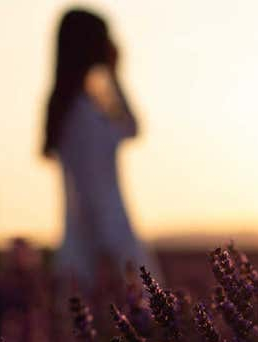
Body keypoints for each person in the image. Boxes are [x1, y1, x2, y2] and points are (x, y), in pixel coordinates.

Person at [43, 8, 159, 294]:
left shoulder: (74, 107)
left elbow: (131, 128)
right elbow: (93, 190)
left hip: (83, 247)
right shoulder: (85, 114)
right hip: (107, 245)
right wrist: (109, 253)